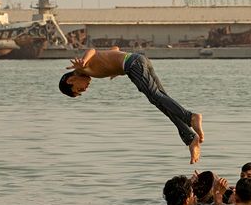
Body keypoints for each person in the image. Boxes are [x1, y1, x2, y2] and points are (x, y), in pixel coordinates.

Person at [59, 48, 205, 164]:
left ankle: (190, 117)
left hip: (133, 65)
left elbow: (92, 50)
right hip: (138, 60)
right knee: (160, 100)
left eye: (78, 90)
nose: (84, 89)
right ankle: (190, 137)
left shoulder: (81, 68)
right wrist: (115, 68)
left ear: (71, 80)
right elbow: (115, 49)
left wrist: (84, 61)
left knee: (155, 96)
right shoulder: (91, 68)